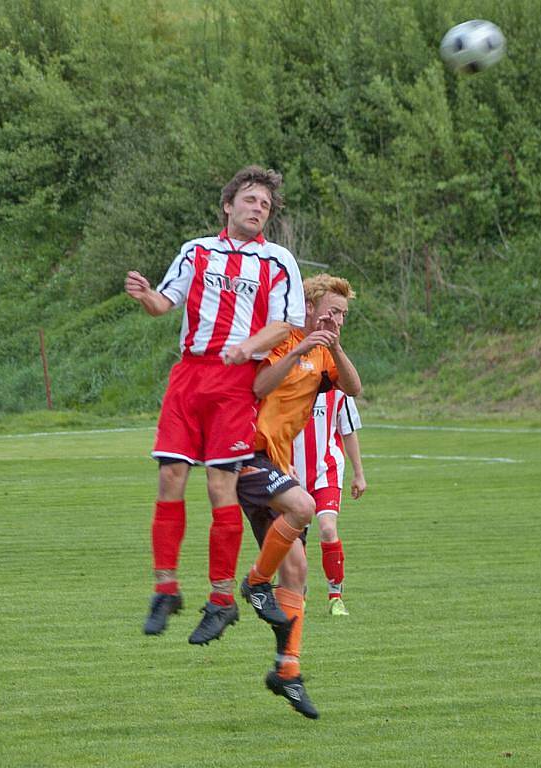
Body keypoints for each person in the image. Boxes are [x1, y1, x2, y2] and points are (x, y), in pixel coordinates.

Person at [124, 166, 305, 645]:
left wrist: (247, 348)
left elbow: (286, 324)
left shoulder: (279, 261)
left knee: (219, 488)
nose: (257, 209)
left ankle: (222, 600)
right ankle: (165, 588)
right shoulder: (197, 250)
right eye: (250, 200)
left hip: (235, 383)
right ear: (228, 205)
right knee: (169, 476)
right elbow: (166, 303)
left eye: (264, 205)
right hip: (189, 376)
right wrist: (146, 298)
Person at [236, 273, 361, 719]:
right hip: (247, 452)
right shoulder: (283, 337)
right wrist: (304, 346)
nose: (337, 319)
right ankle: (253, 583)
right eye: (331, 311)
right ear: (307, 306)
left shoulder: (326, 351)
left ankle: (286, 670)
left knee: (298, 568)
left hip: (276, 463)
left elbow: (354, 389)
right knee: (304, 507)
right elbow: (258, 386)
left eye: (343, 315)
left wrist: (334, 346)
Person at [291, 390, 366, 615]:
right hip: (293, 471)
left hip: (327, 470)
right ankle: (298, 594)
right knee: (297, 535)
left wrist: (359, 473)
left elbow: (348, 431)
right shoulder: (288, 382)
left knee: (327, 528)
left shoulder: (339, 388)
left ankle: (335, 597)